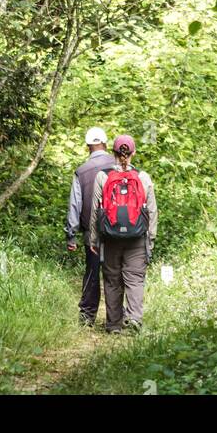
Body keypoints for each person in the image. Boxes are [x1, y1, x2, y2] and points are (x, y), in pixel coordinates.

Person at [88, 134, 157, 334]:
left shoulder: (103, 176)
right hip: (137, 237)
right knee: (135, 279)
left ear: (114, 153)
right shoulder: (143, 177)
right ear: (133, 153)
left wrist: (94, 239)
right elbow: (152, 211)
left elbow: (95, 211)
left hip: (110, 237)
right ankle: (134, 320)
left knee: (112, 279)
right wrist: (150, 240)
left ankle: (114, 325)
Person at [65, 127, 115, 326]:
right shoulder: (119, 165)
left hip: (90, 231)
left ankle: (87, 317)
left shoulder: (81, 171)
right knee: (114, 273)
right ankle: (115, 320)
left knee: (92, 272)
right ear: (105, 143)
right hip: (118, 230)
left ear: (88, 147)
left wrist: (71, 235)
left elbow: (74, 205)